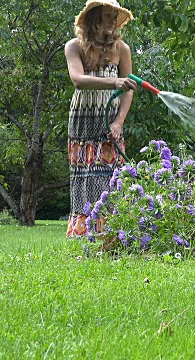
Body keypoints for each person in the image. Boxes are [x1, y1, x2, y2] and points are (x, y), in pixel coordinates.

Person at [64, 0, 136, 236]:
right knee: (83, 173)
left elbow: (129, 90)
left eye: (114, 17)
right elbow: (78, 80)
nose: (111, 22)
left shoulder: (122, 49)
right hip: (83, 118)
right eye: (106, 16)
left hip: (110, 121)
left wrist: (118, 122)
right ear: (92, 19)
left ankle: (112, 232)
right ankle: (83, 231)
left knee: (111, 173)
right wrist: (113, 81)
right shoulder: (74, 46)